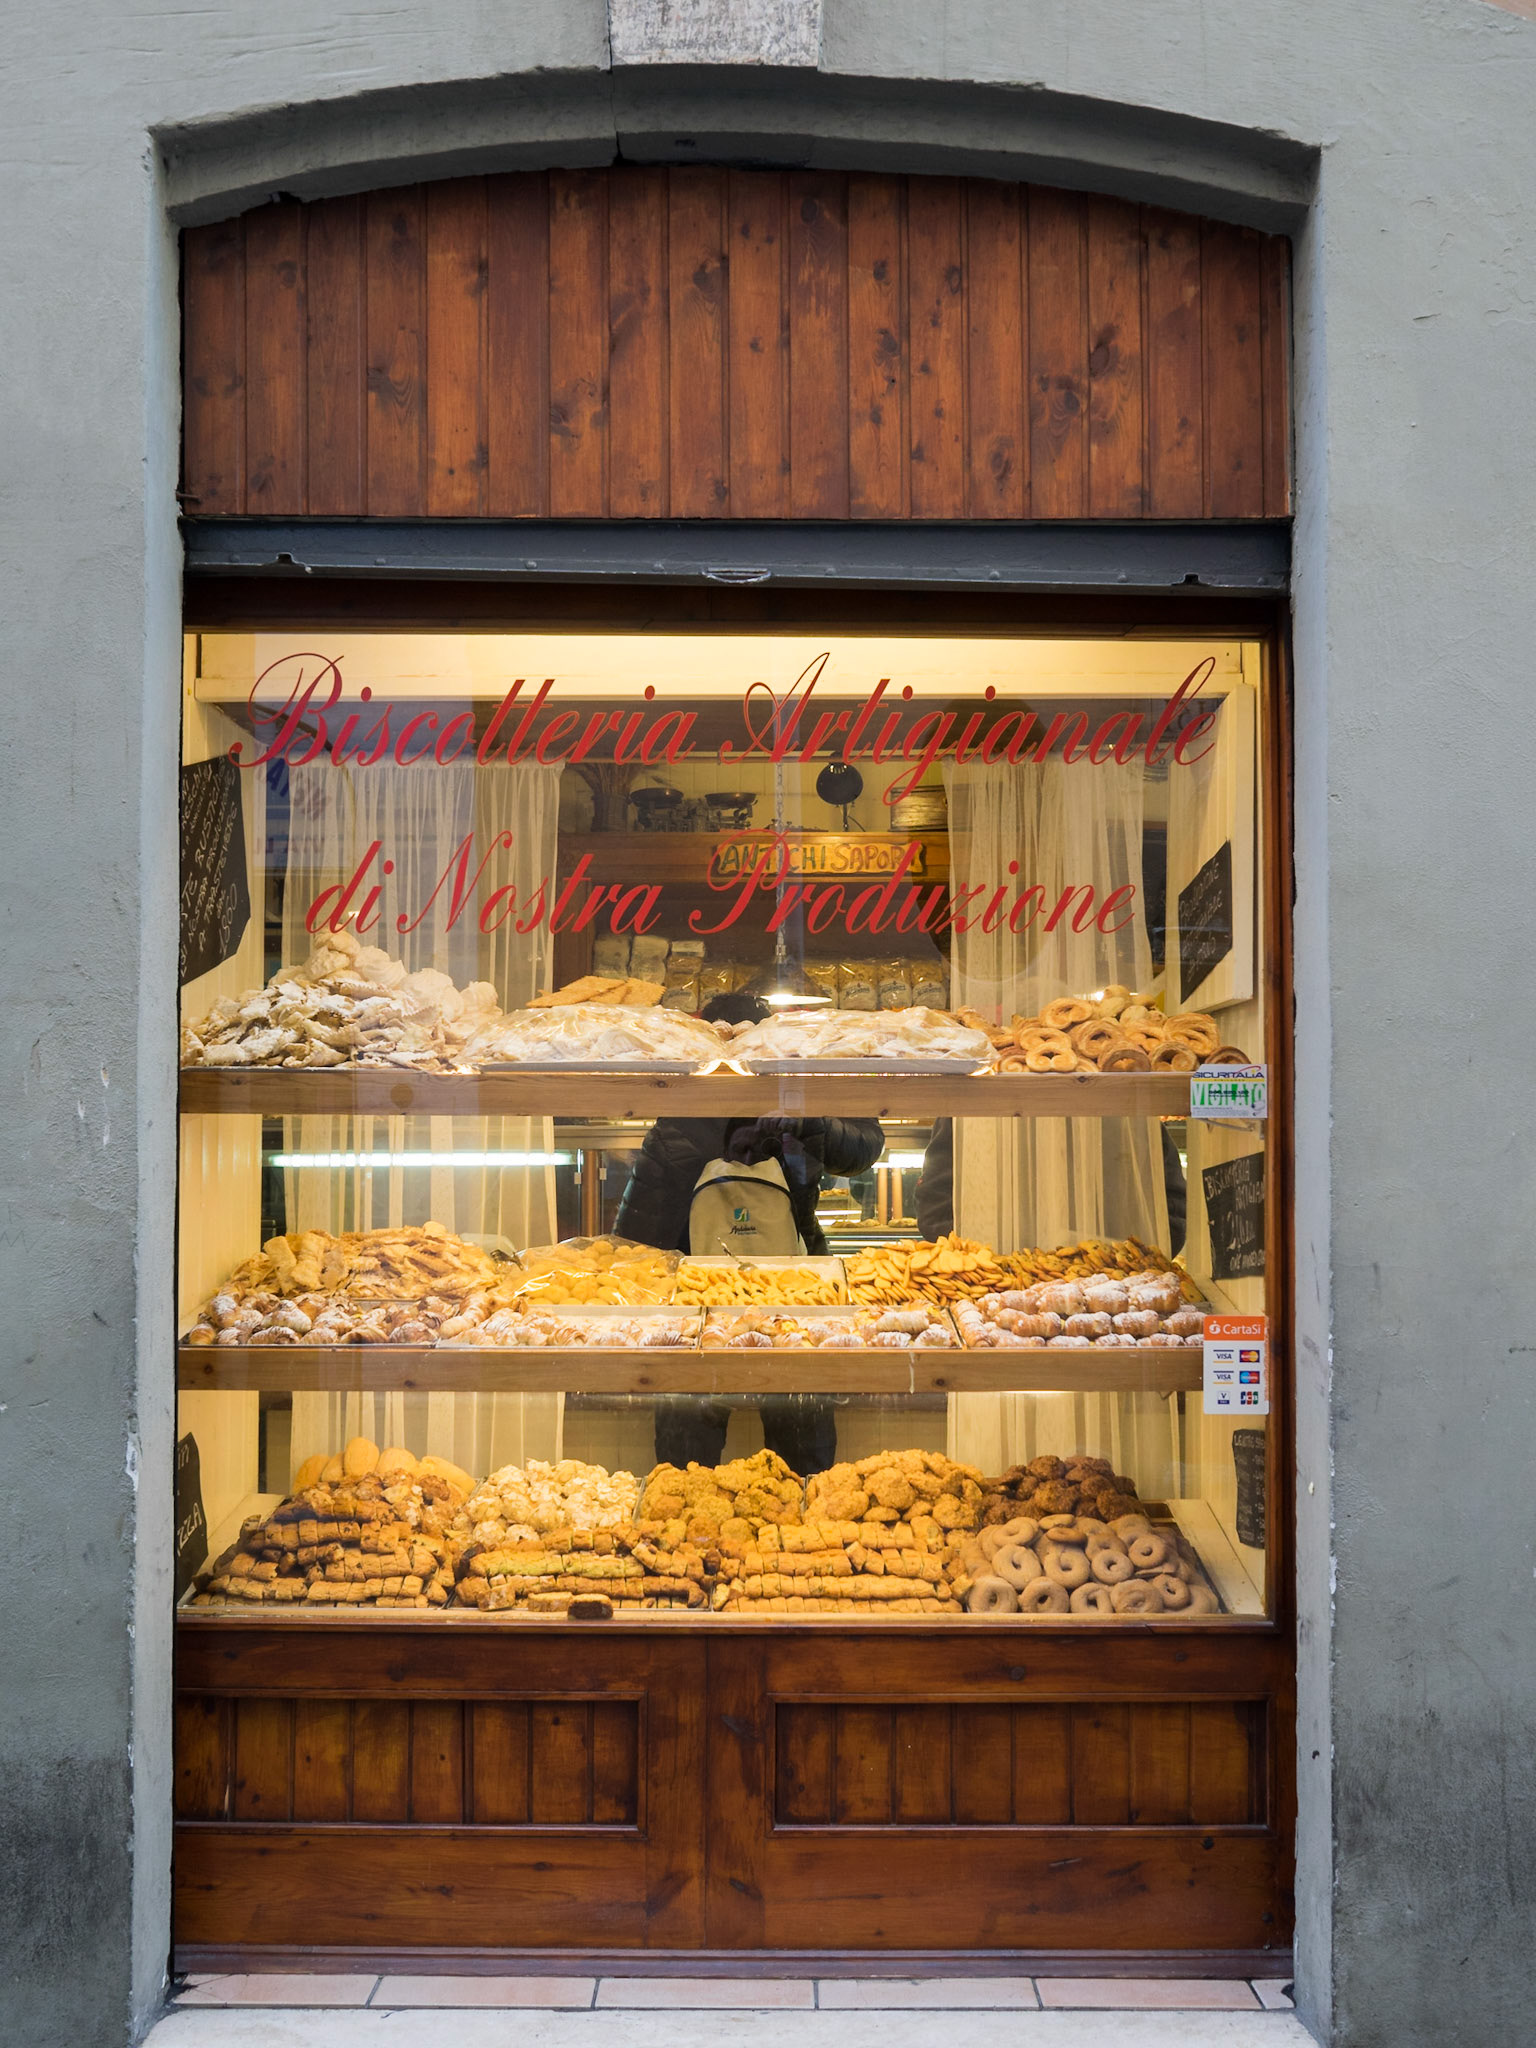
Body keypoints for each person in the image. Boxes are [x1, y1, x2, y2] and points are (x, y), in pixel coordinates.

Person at [614, 993, 884, 1475]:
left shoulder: (762, 1099)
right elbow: (640, 1228)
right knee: (785, 1429)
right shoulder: (689, 1109)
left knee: (704, 1446)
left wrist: (802, 1116)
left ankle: (699, 1498)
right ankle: (796, 1497)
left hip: (743, 1288)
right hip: (745, 1291)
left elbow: (863, 1145)